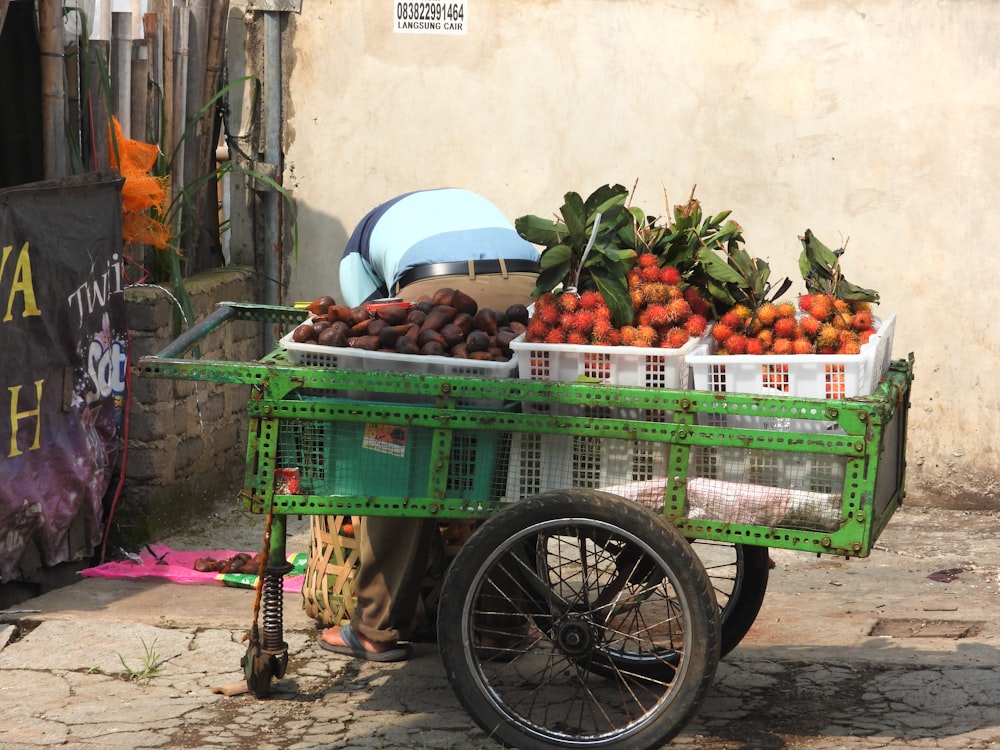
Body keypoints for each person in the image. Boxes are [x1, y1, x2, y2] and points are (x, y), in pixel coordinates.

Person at [320, 188, 539, 661]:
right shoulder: (462, 205)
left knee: (397, 440)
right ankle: (498, 627)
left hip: (432, 277)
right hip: (524, 269)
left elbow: (378, 326)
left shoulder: (356, 251)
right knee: (496, 448)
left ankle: (377, 626)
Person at [338, 187, 540, 309]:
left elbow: (364, 316)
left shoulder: (359, 242)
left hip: (437, 286)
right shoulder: (466, 198)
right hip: (527, 278)